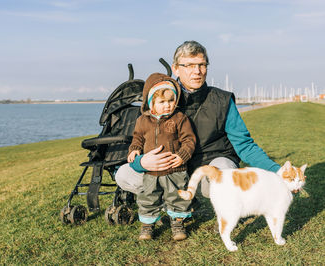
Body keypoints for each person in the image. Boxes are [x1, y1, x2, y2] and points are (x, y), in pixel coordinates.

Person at [115, 40, 280, 225]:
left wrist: (277, 171)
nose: (197, 71)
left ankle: (231, 207)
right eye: (190, 65)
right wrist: (141, 162)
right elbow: (140, 139)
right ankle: (173, 205)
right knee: (124, 174)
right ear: (176, 69)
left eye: (202, 65)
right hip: (172, 170)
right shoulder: (159, 99)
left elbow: (245, 145)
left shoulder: (222, 100)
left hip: (209, 166)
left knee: (225, 171)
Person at [128, 72, 196, 241]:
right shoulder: (143, 121)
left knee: (176, 197)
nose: (168, 105)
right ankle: (147, 225)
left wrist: (183, 155)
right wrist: (135, 148)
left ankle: (178, 223)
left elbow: (189, 140)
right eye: (162, 102)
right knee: (148, 197)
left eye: (171, 101)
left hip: (175, 168)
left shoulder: (180, 118)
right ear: (151, 103)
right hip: (151, 171)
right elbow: (137, 137)